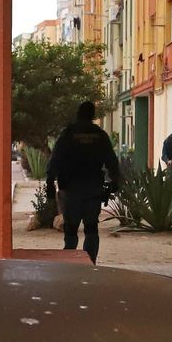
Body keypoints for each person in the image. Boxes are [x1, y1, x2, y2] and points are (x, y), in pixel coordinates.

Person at [45, 100, 121, 264]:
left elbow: (55, 160)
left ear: (78, 114)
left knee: (71, 230)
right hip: (93, 188)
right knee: (91, 228)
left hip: (71, 190)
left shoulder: (68, 134)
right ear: (93, 116)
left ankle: (70, 261)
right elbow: (112, 162)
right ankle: (89, 263)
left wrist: (50, 182)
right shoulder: (100, 135)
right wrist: (116, 182)